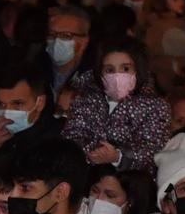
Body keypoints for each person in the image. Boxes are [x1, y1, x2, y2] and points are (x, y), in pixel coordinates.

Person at [61, 39, 172, 176]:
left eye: (125, 68)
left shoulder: (156, 106)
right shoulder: (86, 98)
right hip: (88, 176)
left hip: (132, 183)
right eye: (109, 70)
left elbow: (154, 147)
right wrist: (95, 152)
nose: (117, 75)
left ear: (138, 70)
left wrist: (118, 156)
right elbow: (72, 135)